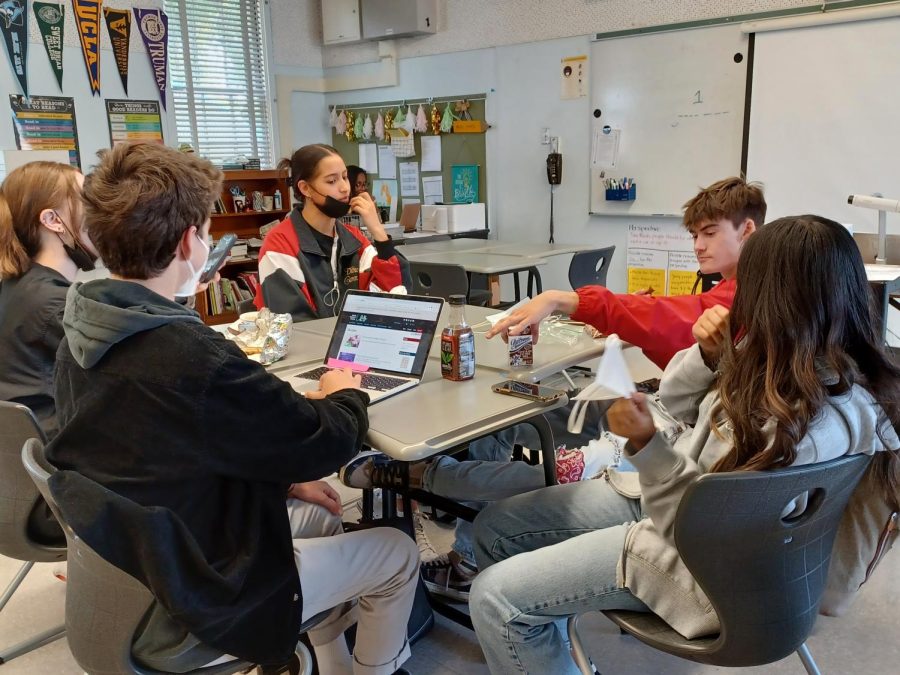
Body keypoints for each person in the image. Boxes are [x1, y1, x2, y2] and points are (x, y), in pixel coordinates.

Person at [467, 215, 900, 674]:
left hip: (703, 567)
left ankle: (532, 639)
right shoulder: (845, 381)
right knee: (497, 526)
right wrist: (709, 357)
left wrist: (646, 443)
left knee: (496, 598)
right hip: (716, 530)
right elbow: (674, 403)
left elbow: (695, 528)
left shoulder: (787, 418)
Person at [46, 142, 417, 675]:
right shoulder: (194, 358)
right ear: (186, 243)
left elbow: (158, 452)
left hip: (135, 565)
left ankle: (324, 654)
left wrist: (282, 483)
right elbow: (327, 443)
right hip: (201, 595)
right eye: (203, 232)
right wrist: (345, 394)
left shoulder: (81, 331)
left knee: (317, 509)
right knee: (396, 553)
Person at [341, 176, 767, 600]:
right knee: (528, 415)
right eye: (695, 234)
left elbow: (675, 318)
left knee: (554, 466)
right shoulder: (731, 292)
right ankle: (453, 511)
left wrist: (564, 300)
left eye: (709, 233)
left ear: (747, 231)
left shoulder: (745, 298)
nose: (698, 245)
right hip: (662, 420)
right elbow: (676, 328)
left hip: (665, 452)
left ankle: (422, 478)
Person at [255, 145, 410, 321]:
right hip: (313, 347)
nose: (345, 188)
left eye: (344, 177)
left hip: (352, 342)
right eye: (331, 181)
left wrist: (378, 232)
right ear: (305, 188)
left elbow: (398, 297)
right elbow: (294, 325)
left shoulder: (353, 239)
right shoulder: (279, 244)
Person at [0, 161, 98, 439]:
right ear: (52, 220)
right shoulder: (53, 303)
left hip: (26, 452)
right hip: (58, 452)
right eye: (86, 199)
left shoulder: (18, 286)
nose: (98, 211)